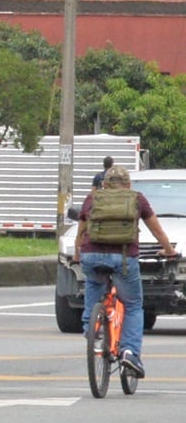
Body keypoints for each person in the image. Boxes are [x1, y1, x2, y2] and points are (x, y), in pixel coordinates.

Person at [76, 163, 179, 380]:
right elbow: (156, 230)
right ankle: (130, 353)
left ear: (104, 184)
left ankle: (91, 328)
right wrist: (169, 251)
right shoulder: (137, 199)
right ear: (129, 184)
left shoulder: (92, 198)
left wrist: (78, 255)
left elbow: (81, 231)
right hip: (123, 258)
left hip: (91, 256)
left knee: (94, 285)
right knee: (132, 305)